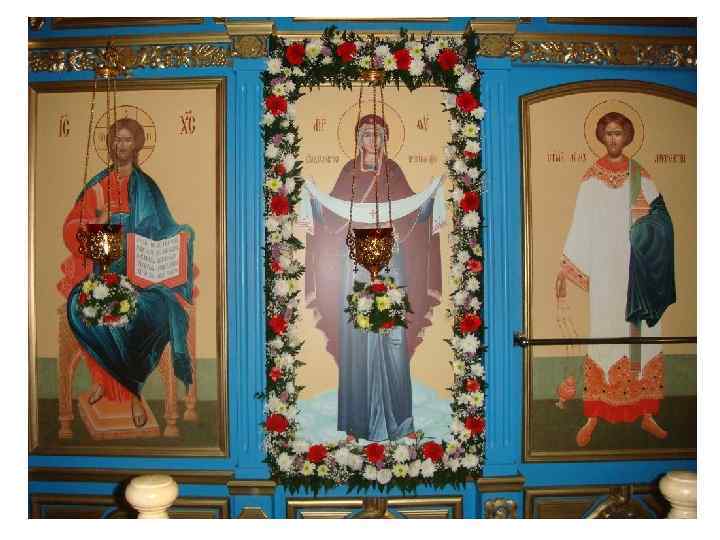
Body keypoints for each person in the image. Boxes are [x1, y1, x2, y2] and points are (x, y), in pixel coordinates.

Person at [304, 114, 442, 441]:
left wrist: (429, 200)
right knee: (356, 341)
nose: (373, 140)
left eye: (378, 134)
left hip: (391, 264)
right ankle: (356, 425)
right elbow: (332, 215)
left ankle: (401, 425)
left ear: (386, 138)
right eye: (367, 134)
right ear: (357, 139)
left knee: (393, 340)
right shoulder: (348, 173)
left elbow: (412, 215)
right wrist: (314, 201)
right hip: (354, 265)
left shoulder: (393, 172)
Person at [59, 117, 195, 428]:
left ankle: (132, 391)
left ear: (137, 145)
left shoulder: (147, 188)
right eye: (117, 139)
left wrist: (181, 236)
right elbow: (72, 227)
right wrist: (97, 224)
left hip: (143, 276)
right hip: (104, 269)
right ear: (110, 144)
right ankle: (108, 382)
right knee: (86, 306)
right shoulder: (98, 185)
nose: (121, 145)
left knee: (149, 312)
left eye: (127, 140)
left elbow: (164, 229)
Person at [556, 111, 676, 447]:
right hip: (606, 274)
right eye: (608, 133)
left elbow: (662, 221)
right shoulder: (591, 179)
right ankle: (593, 416)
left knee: (643, 338)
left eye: (618, 134)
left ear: (627, 137)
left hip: (639, 271)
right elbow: (581, 224)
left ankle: (647, 414)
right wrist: (567, 268)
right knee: (605, 334)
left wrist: (647, 223)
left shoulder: (641, 176)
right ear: (600, 136)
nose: (613, 140)